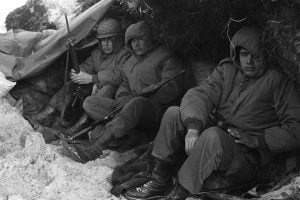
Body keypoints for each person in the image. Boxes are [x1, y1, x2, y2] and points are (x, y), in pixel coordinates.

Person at [123, 27, 300, 200]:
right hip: (217, 134)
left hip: (246, 156)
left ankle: (182, 191)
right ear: (236, 54)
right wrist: (193, 126)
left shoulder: (278, 82)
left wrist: (258, 139)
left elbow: (296, 128)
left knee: (212, 135)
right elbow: (200, 94)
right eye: (244, 54)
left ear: (266, 56)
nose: (249, 62)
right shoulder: (228, 70)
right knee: (174, 113)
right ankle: (159, 179)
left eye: (256, 56)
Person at [62, 21, 184, 163]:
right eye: (132, 41)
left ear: (150, 38)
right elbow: (125, 82)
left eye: (140, 40)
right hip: (128, 106)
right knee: (91, 102)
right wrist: (122, 97)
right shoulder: (132, 60)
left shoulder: (166, 55)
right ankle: (132, 134)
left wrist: (140, 94)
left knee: (136, 104)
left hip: (155, 110)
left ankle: (94, 148)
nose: (136, 44)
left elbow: (172, 87)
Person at [26, 18, 131, 133]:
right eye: (102, 40)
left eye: (109, 40)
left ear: (117, 39)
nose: (105, 44)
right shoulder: (97, 53)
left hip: (113, 93)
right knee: (71, 85)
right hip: (94, 86)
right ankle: (46, 114)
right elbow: (87, 65)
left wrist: (92, 78)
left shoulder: (125, 54)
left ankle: (79, 126)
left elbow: (120, 75)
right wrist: (78, 73)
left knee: (107, 89)